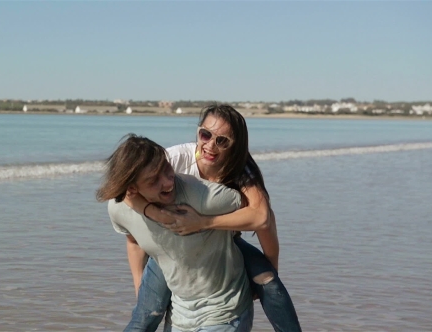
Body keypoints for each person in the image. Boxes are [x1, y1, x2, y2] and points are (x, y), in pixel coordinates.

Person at [123, 104, 302, 332]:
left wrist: (203, 222)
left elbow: (263, 218)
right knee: (144, 316)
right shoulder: (174, 160)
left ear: (235, 147)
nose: (210, 145)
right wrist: (155, 214)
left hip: (223, 241)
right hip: (174, 243)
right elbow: (126, 194)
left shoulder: (240, 169)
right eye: (205, 135)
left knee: (271, 284)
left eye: (222, 141)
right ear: (198, 132)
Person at [96, 134, 254, 332]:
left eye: (166, 168)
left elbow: (255, 210)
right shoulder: (118, 209)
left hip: (224, 312)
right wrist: (140, 288)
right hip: (180, 315)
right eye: (154, 180)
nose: (168, 181)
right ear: (132, 189)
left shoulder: (201, 196)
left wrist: (206, 222)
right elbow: (134, 241)